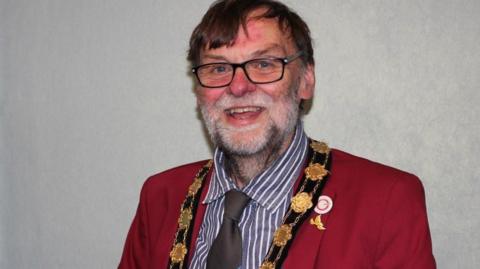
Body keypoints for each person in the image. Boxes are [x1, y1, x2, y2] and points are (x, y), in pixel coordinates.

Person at [118, 0, 436, 268]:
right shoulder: (160, 198)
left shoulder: (386, 201)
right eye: (217, 68)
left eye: (265, 64)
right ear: (198, 89)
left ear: (305, 80)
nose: (238, 87)